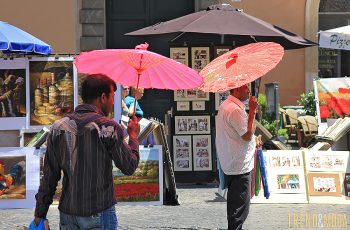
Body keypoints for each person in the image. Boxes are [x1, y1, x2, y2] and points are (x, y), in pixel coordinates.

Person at [32, 74, 140, 229]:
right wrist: (134, 137)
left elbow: (49, 177)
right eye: (112, 97)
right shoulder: (108, 127)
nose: (112, 102)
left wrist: (40, 214)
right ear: (103, 97)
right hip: (98, 210)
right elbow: (129, 166)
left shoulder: (58, 127)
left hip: (68, 214)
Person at [215, 84, 261, 230]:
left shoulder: (227, 105)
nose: (248, 90)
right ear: (236, 89)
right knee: (239, 209)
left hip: (233, 162)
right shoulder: (234, 109)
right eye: (245, 87)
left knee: (236, 205)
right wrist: (253, 111)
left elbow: (242, 133)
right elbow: (246, 135)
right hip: (239, 165)